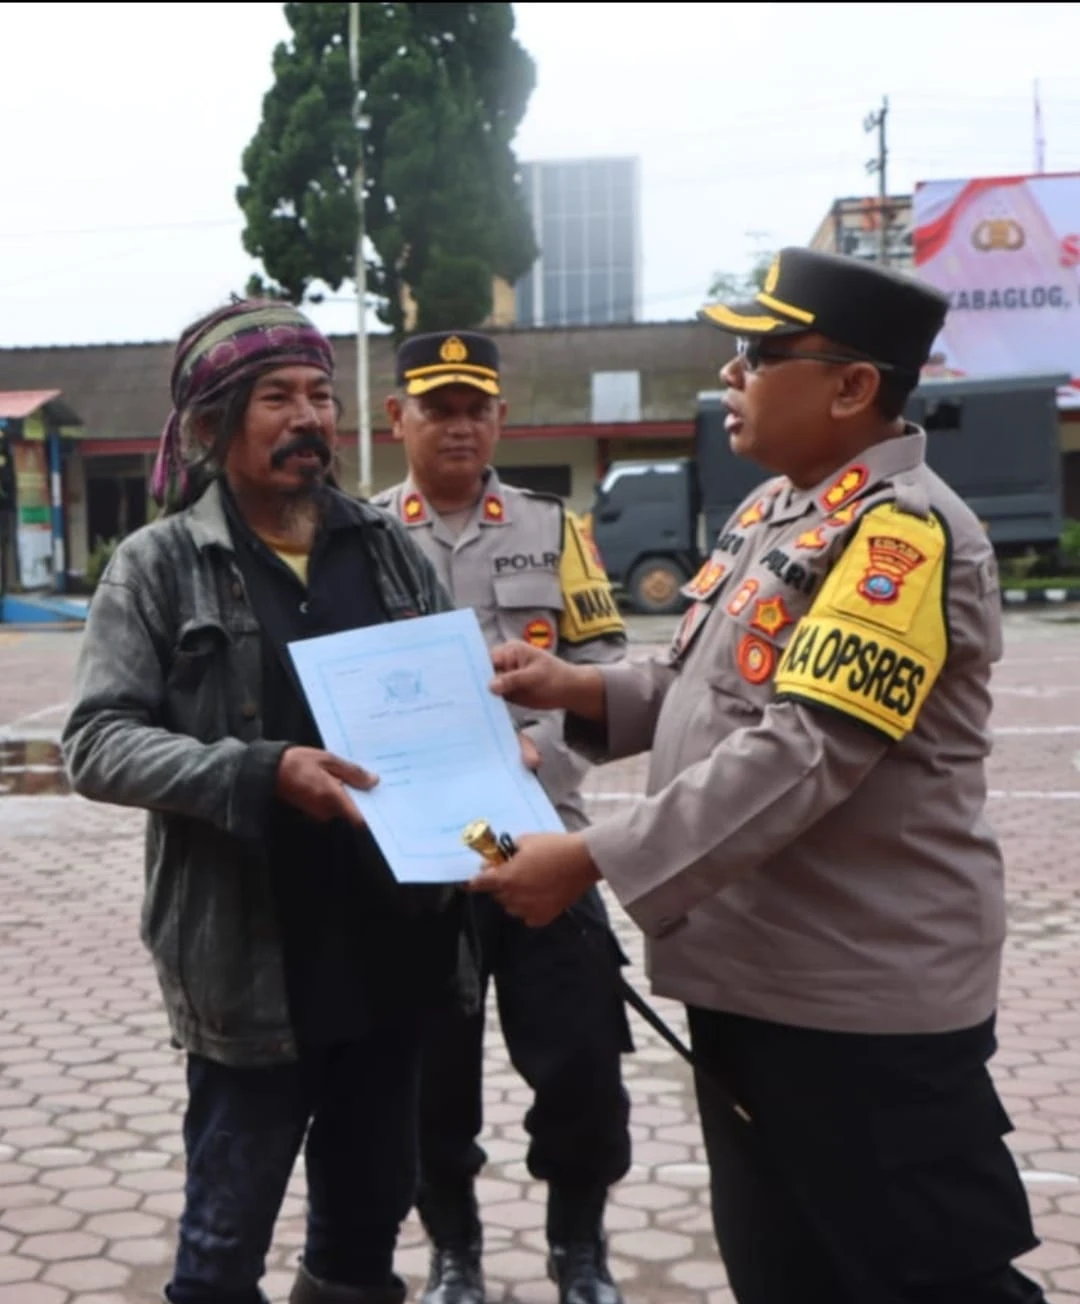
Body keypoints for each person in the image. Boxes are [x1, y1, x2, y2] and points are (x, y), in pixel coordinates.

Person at [468, 250, 1047, 1304]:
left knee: (927, 1281)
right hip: (755, 981)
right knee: (785, 1274)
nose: (730, 373)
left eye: (760, 352)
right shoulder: (777, 511)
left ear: (852, 386)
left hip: (860, 1005)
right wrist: (577, 686)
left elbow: (805, 749)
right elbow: (705, 688)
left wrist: (590, 858)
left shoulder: (900, 536)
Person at [61, 301, 469, 1304]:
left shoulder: (386, 548)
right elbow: (96, 743)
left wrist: (497, 797)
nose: (309, 417)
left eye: (320, 395)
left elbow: (452, 725)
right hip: (251, 958)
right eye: (277, 397)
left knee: (365, 1235)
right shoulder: (159, 565)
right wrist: (258, 771)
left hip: (395, 945)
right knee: (221, 1247)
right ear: (212, 423)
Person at [371, 330, 633, 1304]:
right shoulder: (359, 535)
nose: (459, 425)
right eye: (437, 408)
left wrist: (538, 746)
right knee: (430, 1074)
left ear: (501, 419)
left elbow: (608, 669)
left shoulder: (551, 526)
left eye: (475, 408)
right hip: (423, 854)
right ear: (396, 417)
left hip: (543, 836)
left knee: (584, 1061)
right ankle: (455, 1254)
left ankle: (580, 1250)